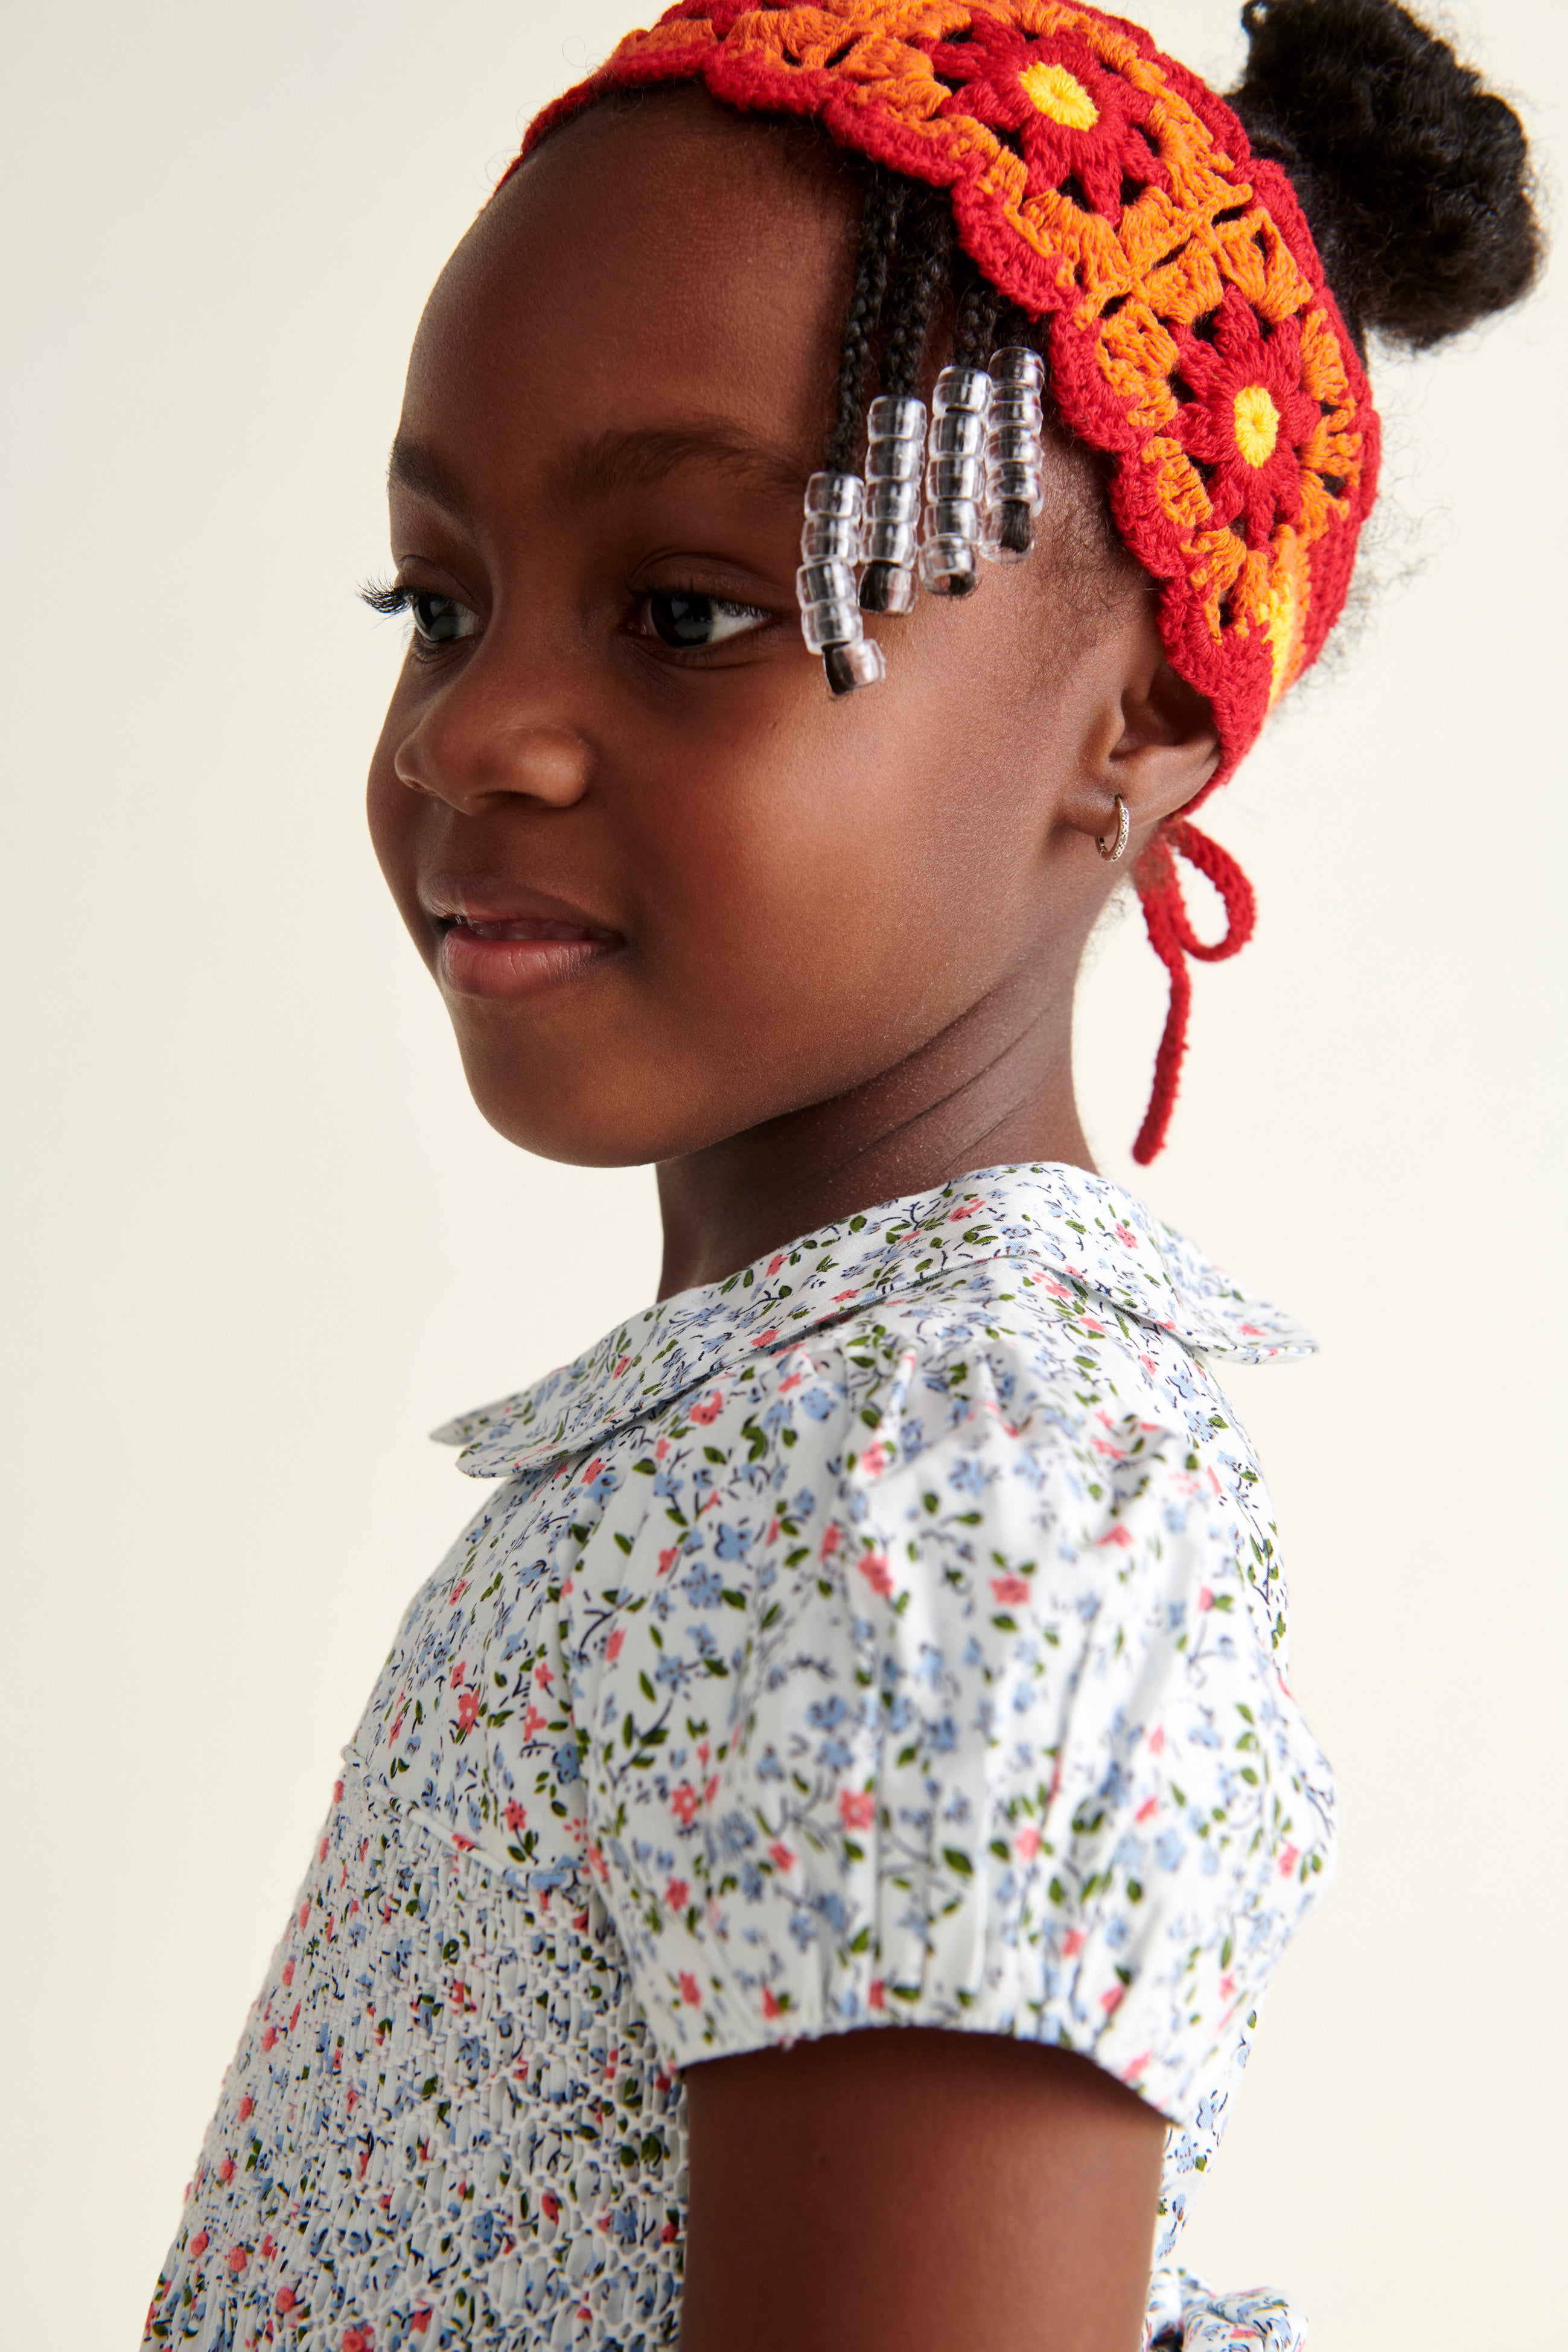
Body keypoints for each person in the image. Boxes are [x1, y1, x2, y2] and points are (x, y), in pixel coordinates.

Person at [142, 3, 1538, 2347]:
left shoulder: (953, 1498)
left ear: (1138, 725)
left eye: (688, 610)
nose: (470, 729)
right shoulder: (792, 1442)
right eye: (436, 602)